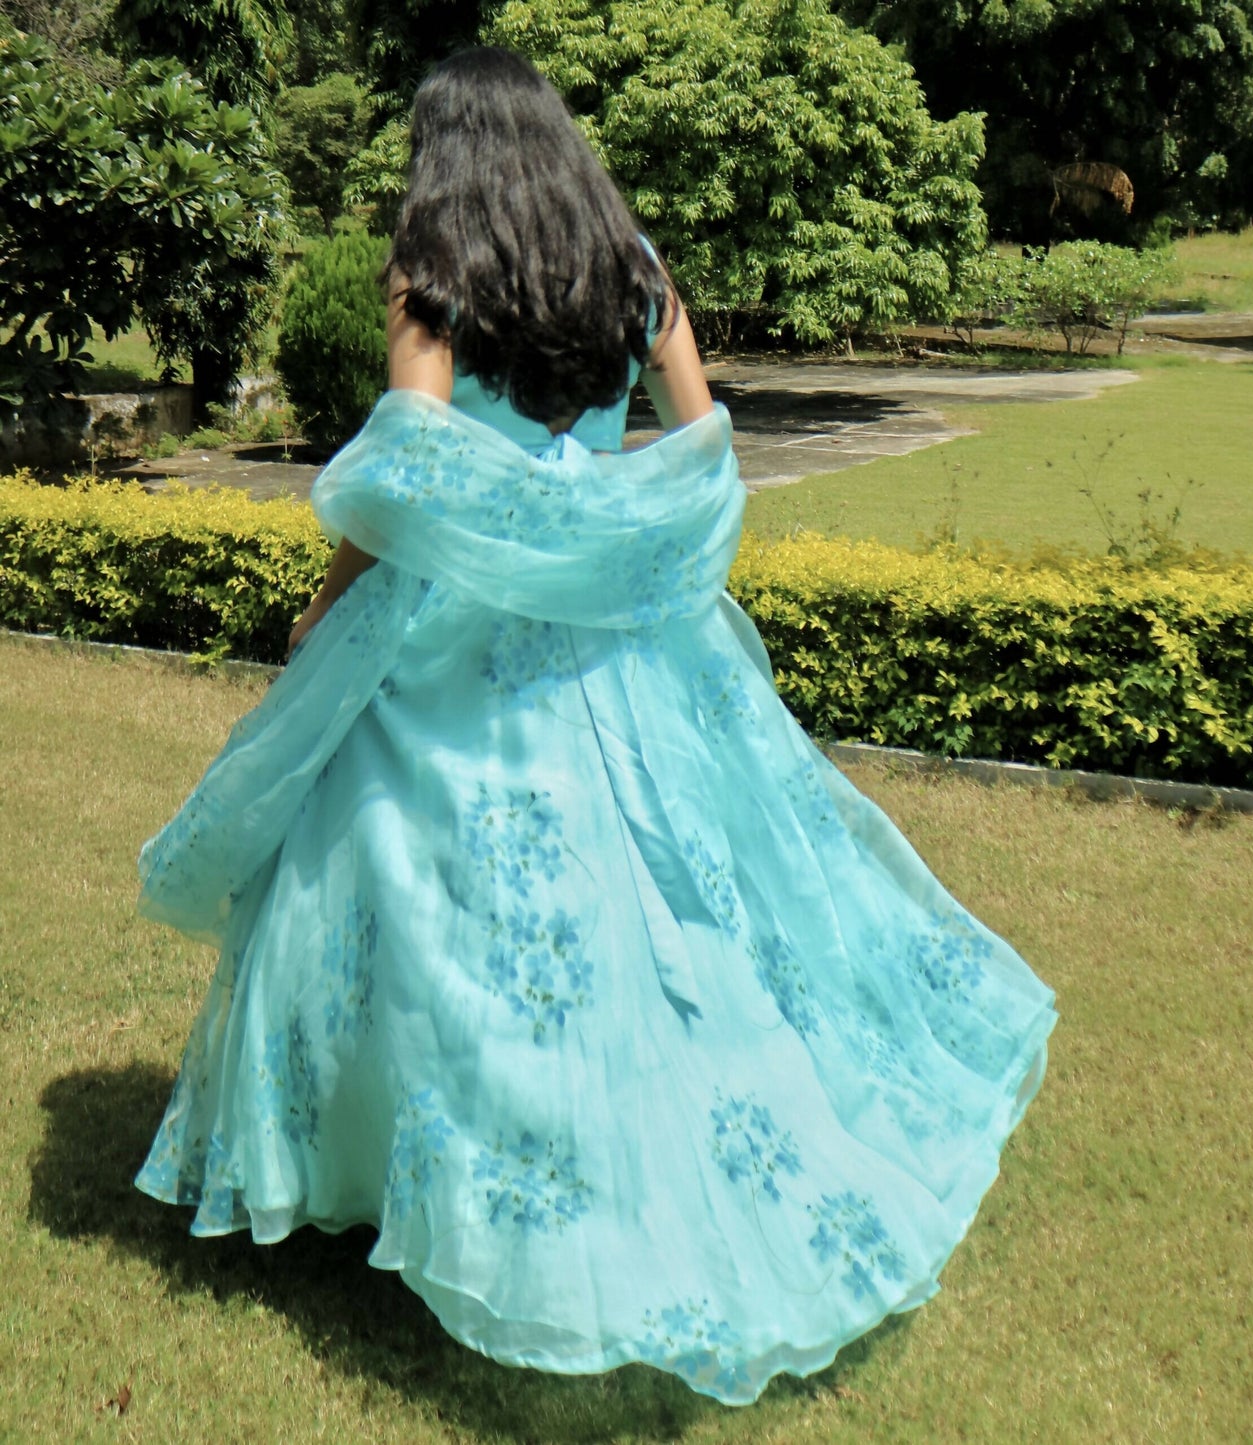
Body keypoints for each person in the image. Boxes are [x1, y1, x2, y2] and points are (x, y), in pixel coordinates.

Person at [135, 47, 1056, 1406]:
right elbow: (699, 444)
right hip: (622, 639)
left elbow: (405, 471)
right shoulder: (630, 267)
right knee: (664, 905)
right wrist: (600, 536)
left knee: (400, 896)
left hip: (448, 640)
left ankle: (394, 1175)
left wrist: (326, 605)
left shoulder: (431, 268)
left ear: (444, 152)